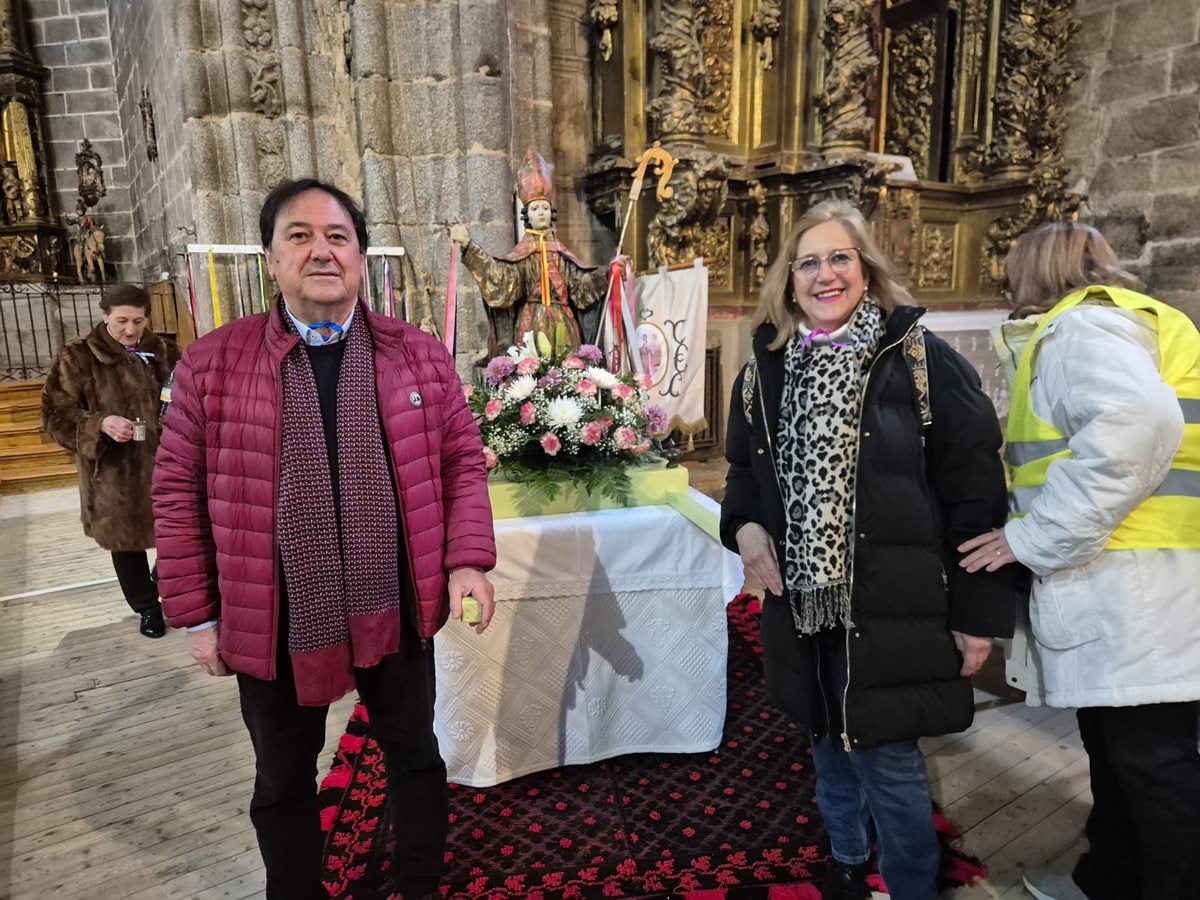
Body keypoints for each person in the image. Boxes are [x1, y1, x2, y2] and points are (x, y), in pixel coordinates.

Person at [152, 178, 498, 900]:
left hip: (393, 601)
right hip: (272, 612)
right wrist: (201, 615)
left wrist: (466, 559)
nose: (321, 251)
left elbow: (462, 459)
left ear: (361, 257)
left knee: (412, 756)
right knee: (282, 777)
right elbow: (177, 493)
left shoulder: (418, 355)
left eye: (338, 237)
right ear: (271, 260)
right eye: (299, 236)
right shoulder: (214, 364)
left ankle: (419, 881)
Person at [720, 200, 1021, 900]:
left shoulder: (917, 358)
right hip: (803, 604)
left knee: (889, 761)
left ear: (866, 269)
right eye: (809, 263)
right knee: (826, 746)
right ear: (788, 279)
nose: (825, 275)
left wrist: (977, 615)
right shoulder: (764, 369)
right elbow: (743, 475)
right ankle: (849, 869)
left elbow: (976, 489)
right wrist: (745, 528)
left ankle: (914, 886)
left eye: (840, 258)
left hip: (894, 603)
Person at [959, 222, 1200, 900]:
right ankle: (1112, 877)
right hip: (1148, 575)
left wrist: (1030, 538)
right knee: (1123, 752)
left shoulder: (1078, 331)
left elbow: (1137, 425)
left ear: (1035, 270)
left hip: (1132, 587)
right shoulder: (1134, 322)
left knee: (1155, 766)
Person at [42, 284, 178, 638]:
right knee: (126, 541)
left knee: (183, 532)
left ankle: (164, 588)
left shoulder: (164, 351)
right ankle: (147, 608)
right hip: (115, 470)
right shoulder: (78, 356)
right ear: (105, 316)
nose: (131, 330)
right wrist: (98, 423)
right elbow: (56, 412)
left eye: (138, 320)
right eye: (121, 321)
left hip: (169, 461)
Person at [449, 148, 608, 357]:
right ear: (527, 215)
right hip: (531, 322)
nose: (540, 212)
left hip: (564, 321)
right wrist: (469, 245)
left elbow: (580, 286)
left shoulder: (561, 253)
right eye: (535, 209)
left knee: (568, 369)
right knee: (532, 371)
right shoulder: (523, 253)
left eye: (544, 208)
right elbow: (501, 279)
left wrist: (609, 272)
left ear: (551, 213)